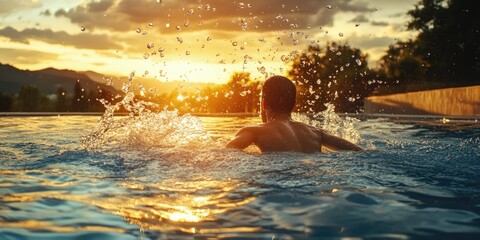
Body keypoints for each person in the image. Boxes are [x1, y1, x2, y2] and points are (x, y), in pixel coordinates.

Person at [226, 75, 362, 153]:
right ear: (294, 105)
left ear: (264, 104)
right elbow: (357, 151)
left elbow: (226, 153)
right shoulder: (316, 132)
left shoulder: (254, 132)